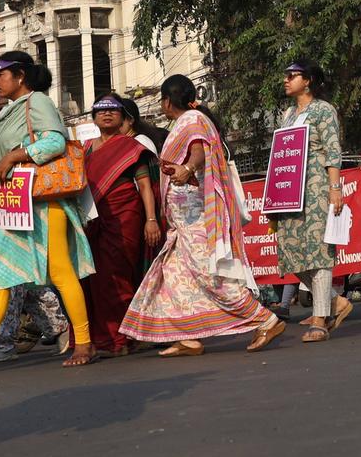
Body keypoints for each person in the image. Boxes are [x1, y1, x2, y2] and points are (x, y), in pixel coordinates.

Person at [0, 51, 96, 373]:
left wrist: (14, 157)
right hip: (10, 204)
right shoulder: (7, 112)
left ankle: (84, 341)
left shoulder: (36, 102)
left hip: (43, 202)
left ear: (20, 76)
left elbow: (55, 142)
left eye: (1, 74)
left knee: (61, 271)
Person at [119, 75, 284, 355]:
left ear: (167, 101)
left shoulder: (192, 120)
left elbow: (198, 151)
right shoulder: (185, 122)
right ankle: (188, 337)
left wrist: (188, 169)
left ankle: (265, 319)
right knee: (172, 276)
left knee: (211, 276)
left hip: (196, 219)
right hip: (181, 222)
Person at [275, 59, 351, 342]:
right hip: (290, 193)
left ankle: (320, 318)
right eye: (286, 75)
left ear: (307, 81)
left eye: (292, 75)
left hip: (318, 188)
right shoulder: (287, 115)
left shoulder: (323, 110)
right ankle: (334, 302)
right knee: (292, 254)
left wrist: (335, 188)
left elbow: (333, 151)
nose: (286, 80)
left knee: (318, 253)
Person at [80, 93, 157, 357]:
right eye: (101, 110)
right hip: (93, 221)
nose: (107, 113)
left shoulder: (130, 147)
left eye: (113, 109)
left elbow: (145, 186)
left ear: (123, 116)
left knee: (119, 275)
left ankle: (124, 337)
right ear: (94, 117)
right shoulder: (85, 149)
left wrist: (151, 220)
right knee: (96, 278)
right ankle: (105, 338)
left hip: (125, 216)